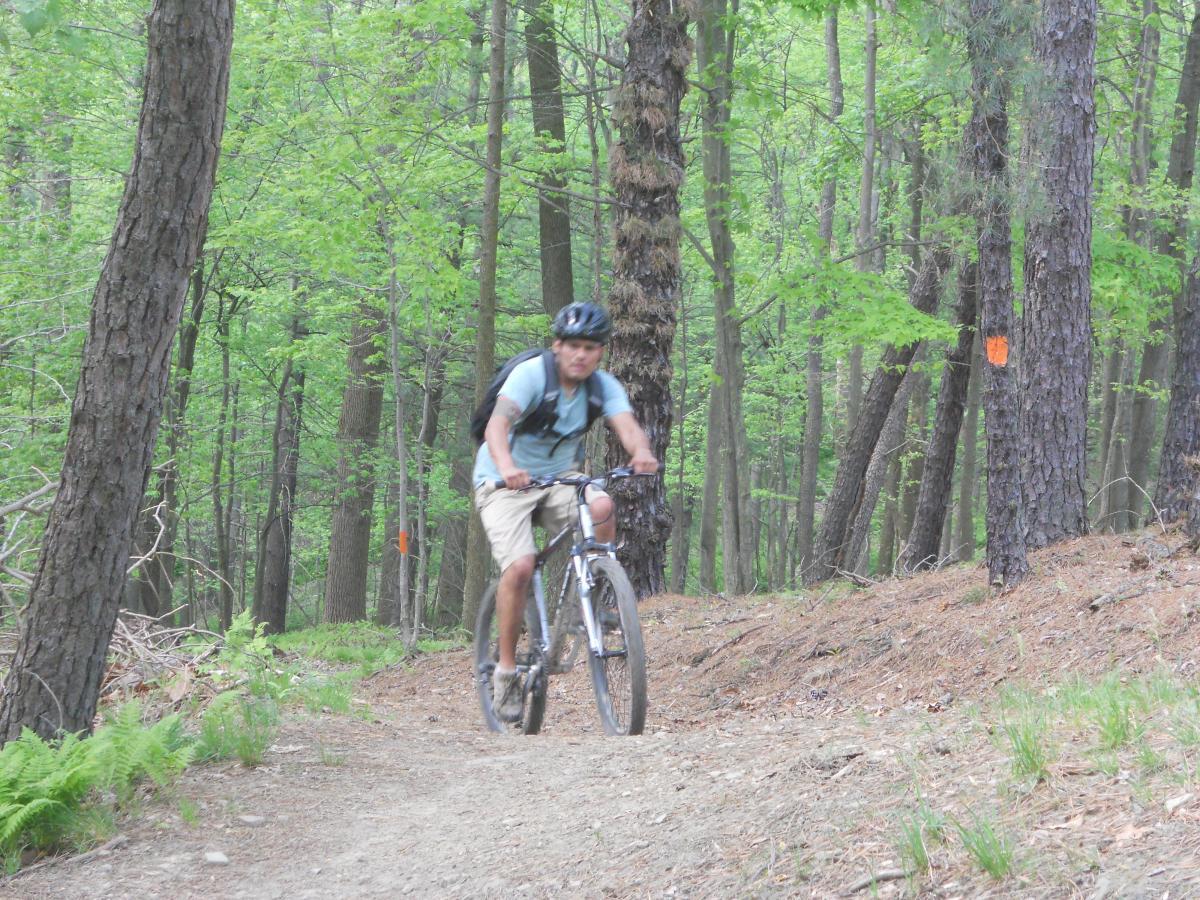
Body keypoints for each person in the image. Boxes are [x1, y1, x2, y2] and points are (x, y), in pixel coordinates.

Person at [473, 301, 658, 722]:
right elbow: (496, 427)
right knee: (520, 567)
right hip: (503, 481)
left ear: (601, 353)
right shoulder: (531, 376)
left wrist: (642, 452)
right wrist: (507, 468)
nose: (581, 355)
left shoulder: (602, 386)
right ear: (557, 346)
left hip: (561, 479)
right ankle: (505, 673)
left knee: (603, 504)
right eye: (573, 345)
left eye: (590, 348)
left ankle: (594, 592)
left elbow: (626, 425)